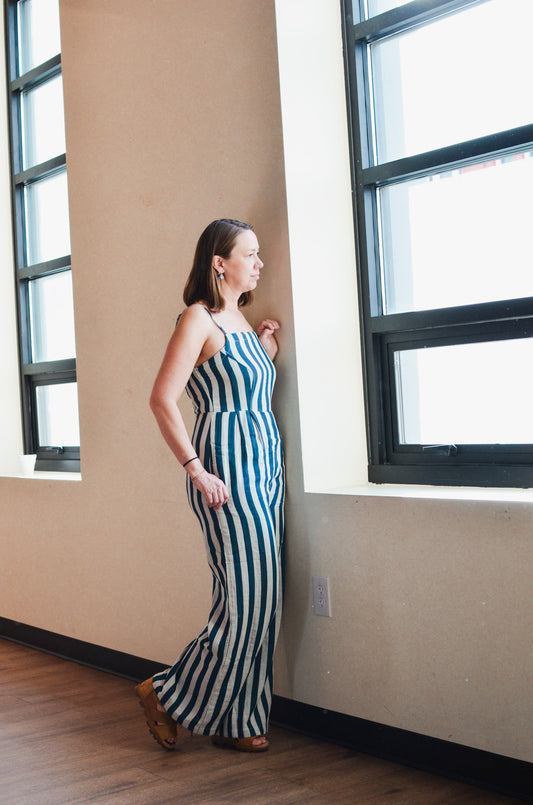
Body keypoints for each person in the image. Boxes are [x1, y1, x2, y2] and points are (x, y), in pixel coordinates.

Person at [135, 218, 285, 753]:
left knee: (265, 598)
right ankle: (165, 693)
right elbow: (162, 398)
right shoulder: (197, 320)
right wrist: (195, 467)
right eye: (251, 254)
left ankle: (241, 720)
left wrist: (266, 347)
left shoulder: (241, 323)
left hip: (266, 465)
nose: (260, 263)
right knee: (245, 595)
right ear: (219, 262)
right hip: (224, 469)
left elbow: (243, 382)